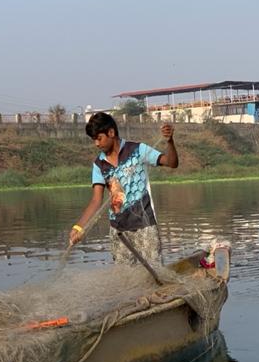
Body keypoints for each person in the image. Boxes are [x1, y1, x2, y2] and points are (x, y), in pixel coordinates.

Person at [68, 112, 178, 265]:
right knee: (125, 278)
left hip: (144, 225)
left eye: (99, 138)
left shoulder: (137, 150)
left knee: (154, 273)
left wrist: (170, 141)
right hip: (118, 231)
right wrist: (79, 227)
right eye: (94, 140)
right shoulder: (99, 164)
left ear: (111, 133)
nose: (96, 144)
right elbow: (96, 200)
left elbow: (171, 163)